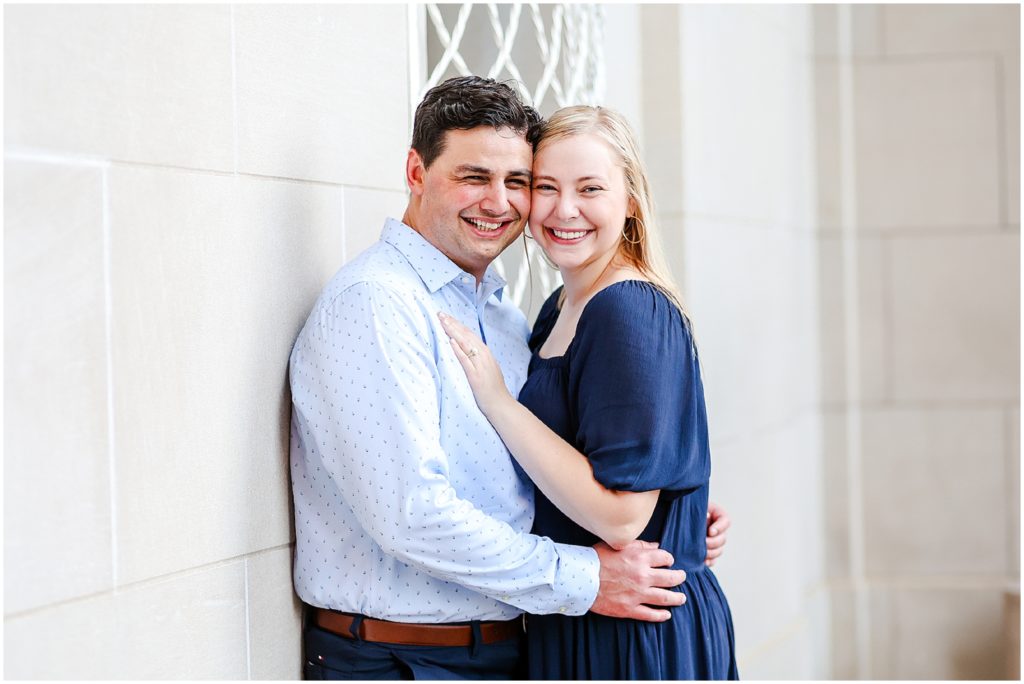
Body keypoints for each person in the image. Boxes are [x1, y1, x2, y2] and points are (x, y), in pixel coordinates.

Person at [289, 76, 729, 680]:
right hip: (404, 658)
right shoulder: (376, 303)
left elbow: (555, 466)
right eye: (474, 176)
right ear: (416, 172)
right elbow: (413, 514)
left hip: (518, 646)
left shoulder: (501, 313)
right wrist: (585, 576)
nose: (499, 201)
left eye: (517, 181)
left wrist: (674, 509)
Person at [439, 104, 738, 679]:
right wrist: (687, 508)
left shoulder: (626, 308)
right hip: (582, 614)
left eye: (590, 188)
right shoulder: (560, 308)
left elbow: (623, 518)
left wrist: (498, 401)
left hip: (634, 632)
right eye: (545, 187)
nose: (564, 210)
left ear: (629, 201)